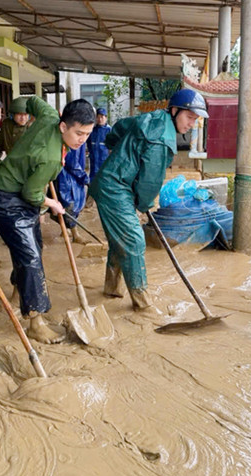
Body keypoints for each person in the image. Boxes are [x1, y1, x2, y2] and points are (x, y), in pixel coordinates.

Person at [0, 97, 95, 344]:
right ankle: (35, 321)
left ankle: (17, 295)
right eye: (78, 133)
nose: (82, 140)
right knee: (31, 257)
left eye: (87, 134)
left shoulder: (47, 115)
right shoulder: (49, 157)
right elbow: (32, 194)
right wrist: (53, 204)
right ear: (63, 126)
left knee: (30, 249)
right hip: (6, 201)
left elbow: (32, 100)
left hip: (17, 193)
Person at [89, 89, 207, 312]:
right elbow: (149, 183)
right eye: (189, 117)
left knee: (121, 238)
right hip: (115, 187)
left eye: (195, 119)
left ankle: (112, 288)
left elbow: (119, 127)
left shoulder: (152, 117)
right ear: (175, 110)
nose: (192, 124)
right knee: (134, 239)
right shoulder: (162, 140)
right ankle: (143, 304)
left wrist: (117, 147)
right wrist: (144, 205)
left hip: (113, 182)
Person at [53, 143, 89, 244]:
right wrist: (85, 178)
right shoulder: (75, 139)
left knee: (65, 204)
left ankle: (65, 229)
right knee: (70, 205)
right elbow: (72, 162)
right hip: (68, 177)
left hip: (66, 175)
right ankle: (75, 234)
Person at [0, 96, 31, 162]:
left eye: (25, 115)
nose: (23, 118)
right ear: (12, 115)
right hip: (11, 162)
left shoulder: (32, 126)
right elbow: (0, 140)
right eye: (20, 114)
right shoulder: (7, 124)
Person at [86, 107, 111, 183]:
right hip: (94, 160)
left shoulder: (109, 130)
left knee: (104, 179)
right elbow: (88, 143)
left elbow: (113, 146)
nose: (100, 119)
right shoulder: (92, 130)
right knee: (93, 179)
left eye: (102, 117)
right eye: (98, 117)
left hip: (104, 160)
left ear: (106, 118)